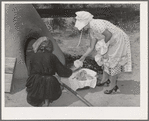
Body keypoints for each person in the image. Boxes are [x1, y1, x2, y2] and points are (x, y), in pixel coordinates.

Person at [74, 11, 132, 94]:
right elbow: (91, 47)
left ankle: (113, 85)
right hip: (109, 41)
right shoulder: (91, 31)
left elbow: (108, 35)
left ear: (86, 22)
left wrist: (103, 47)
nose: (82, 29)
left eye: (82, 26)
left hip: (117, 40)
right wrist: (83, 57)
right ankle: (104, 80)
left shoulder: (95, 24)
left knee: (112, 62)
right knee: (104, 59)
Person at [25, 36, 73, 106]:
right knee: (51, 82)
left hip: (34, 84)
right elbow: (62, 72)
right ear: (49, 47)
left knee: (38, 88)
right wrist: (70, 71)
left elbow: (29, 73)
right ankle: (47, 99)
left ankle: (40, 100)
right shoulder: (52, 56)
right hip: (49, 83)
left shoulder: (32, 57)